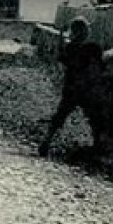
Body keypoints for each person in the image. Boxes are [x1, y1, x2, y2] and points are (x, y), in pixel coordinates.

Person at [39, 16, 104, 157]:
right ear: (84, 32)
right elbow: (101, 61)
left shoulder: (69, 48)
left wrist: (62, 40)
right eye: (87, 29)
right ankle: (97, 145)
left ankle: (46, 141)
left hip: (71, 88)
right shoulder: (92, 48)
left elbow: (61, 58)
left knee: (60, 116)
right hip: (86, 89)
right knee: (94, 117)